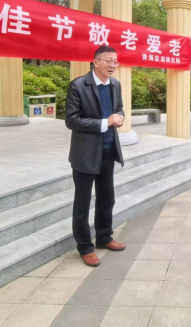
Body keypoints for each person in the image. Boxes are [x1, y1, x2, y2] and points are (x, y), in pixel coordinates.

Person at [65, 45, 127, 267]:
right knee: (82, 202)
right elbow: (72, 120)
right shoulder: (78, 86)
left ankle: (104, 237)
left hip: (108, 150)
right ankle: (84, 247)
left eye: (115, 61)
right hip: (85, 153)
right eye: (108, 60)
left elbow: (119, 109)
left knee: (106, 197)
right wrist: (105, 122)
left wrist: (119, 118)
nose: (112, 65)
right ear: (95, 62)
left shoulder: (115, 85)